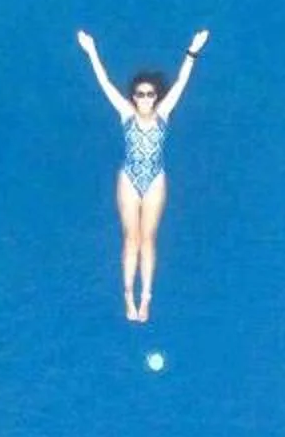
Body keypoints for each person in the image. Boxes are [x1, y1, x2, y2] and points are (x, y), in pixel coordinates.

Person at [75, 27, 208, 322]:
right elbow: (105, 83)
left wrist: (193, 50)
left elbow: (182, 81)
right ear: (133, 98)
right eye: (140, 94)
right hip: (129, 180)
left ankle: (146, 298)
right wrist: (91, 51)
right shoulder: (125, 114)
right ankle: (127, 296)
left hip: (155, 180)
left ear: (155, 96)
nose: (146, 99)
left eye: (150, 94)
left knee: (148, 239)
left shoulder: (163, 114)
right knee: (130, 239)